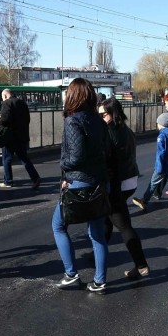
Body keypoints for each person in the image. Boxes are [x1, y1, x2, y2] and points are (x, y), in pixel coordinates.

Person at [52, 77, 109, 293]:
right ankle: (100, 281)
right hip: (99, 182)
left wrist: (62, 164)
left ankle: (71, 274)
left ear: (73, 96)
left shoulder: (72, 121)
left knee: (58, 225)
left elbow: (75, 156)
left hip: (78, 182)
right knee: (97, 234)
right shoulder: (99, 121)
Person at [99, 98, 149, 279]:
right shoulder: (125, 130)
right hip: (130, 180)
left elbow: (109, 164)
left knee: (123, 224)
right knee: (106, 217)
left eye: (103, 114)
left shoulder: (110, 132)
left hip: (117, 184)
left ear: (113, 113)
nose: (101, 117)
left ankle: (141, 265)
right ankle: (98, 251)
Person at [131, 113, 168, 212]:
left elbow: (161, 153)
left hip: (163, 165)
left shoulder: (162, 136)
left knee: (153, 183)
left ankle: (144, 200)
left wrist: (159, 168)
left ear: (160, 123)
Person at [0, 88, 41, 189]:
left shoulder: (7, 103)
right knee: (24, 158)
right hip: (22, 136)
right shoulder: (22, 103)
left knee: (6, 159)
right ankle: (35, 178)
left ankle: (8, 181)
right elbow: (27, 119)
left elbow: (5, 120)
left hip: (10, 137)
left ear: (5, 96)